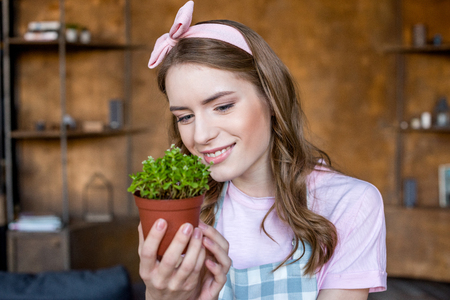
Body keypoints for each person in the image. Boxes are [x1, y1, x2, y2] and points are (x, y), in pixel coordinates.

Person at [138, 1, 387, 299]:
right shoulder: (188, 210)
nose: (201, 136)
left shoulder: (349, 204)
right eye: (185, 117)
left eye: (223, 106)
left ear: (271, 97)